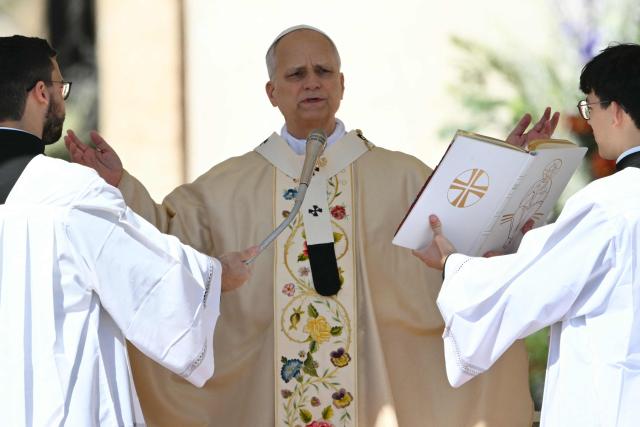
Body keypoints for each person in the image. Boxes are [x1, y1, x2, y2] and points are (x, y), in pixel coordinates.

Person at [66, 25, 557, 426]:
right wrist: (121, 186)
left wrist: (506, 167)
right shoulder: (228, 186)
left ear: (342, 85)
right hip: (267, 400)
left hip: (376, 398)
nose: (312, 82)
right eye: (296, 74)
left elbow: (464, 238)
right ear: (272, 91)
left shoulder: (400, 175)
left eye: (323, 71)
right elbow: (163, 241)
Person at [0, 35, 255, 426]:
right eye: (59, 86)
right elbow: (150, 284)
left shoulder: (67, 194)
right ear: (39, 93)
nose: (62, 99)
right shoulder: (69, 194)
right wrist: (217, 274)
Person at [413, 43, 640, 426]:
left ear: (615, 110)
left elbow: (531, 290)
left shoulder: (611, 203)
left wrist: (454, 264)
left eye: (591, 106)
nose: (591, 119)